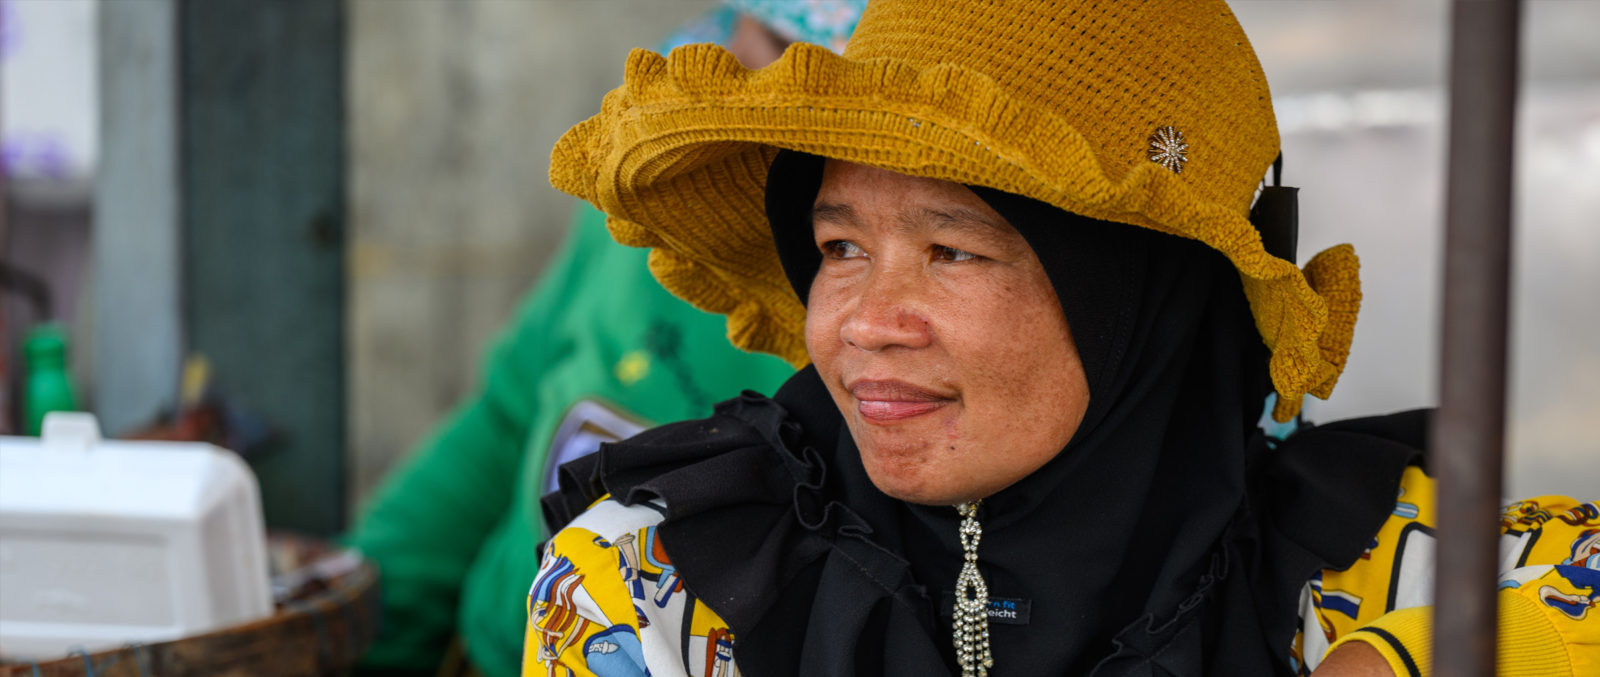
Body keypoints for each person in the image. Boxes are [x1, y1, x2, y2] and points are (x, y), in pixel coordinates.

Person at [524, 1, 1599, 675]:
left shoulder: (1388, 570)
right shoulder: (664, 583)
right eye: (839, 246)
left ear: (1146, 301)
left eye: (954, 251)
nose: (861, 322)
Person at [345, 4, 866, 676]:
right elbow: (508, 416)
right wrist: (357, 616)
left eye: (804, 63)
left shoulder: (873, 334)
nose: (738, 68)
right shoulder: (654, 195)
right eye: (760, 34)